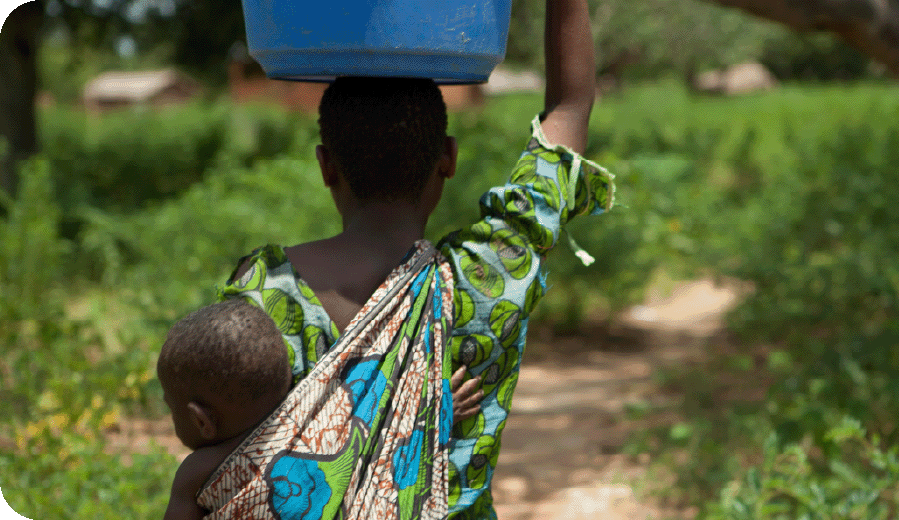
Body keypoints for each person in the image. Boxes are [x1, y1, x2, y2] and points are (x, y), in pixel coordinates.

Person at [203, 0, 610, 517]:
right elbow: (570, 110)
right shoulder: (492, 276)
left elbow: (224, 451)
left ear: (326, 166)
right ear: (449, 159)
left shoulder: (264, 291)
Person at [158, 299, 486, 520]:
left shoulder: (196, 473)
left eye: (171, 408)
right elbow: (390, 434)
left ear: (201, 421)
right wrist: (438, 411)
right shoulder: (327, 425)